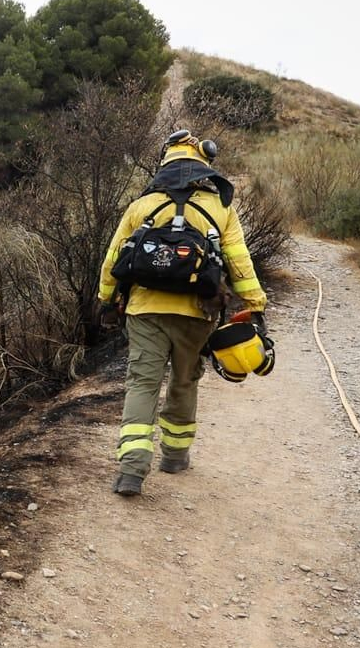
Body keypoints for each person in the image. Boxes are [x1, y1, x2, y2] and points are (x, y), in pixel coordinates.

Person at [96, 130, 267, 496]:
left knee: (142, 382)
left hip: (145, 311)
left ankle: (131, 470)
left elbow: (113, 261)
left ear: (165, 163)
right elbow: (239, 263)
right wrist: (254, 304)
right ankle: (174, 456)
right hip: (198, 312)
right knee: (185, 380)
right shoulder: (220, 208)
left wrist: (106, 302)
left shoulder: (141, 207)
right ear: (203, 165)